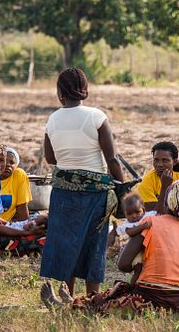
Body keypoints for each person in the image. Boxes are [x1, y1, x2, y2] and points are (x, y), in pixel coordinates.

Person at [41, 180, 179, 315]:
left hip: (151, 297)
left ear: (167, 201)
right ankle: (74, 302)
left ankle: (67, 308)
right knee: (117, 295)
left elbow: (123, 265)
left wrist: (139, 264)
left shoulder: (152, 223)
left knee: (113, 299)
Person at [40, 68, 125, 298]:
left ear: (60, 93)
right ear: (84, 89)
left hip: (63, 193)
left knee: (67, 243)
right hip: (94, 193)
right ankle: (92, 297)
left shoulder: (53, 119)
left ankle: (66, 292)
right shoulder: (96, 116)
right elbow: (112, 160)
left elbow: (51, 158)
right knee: (93, 245)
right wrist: (122, 192)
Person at [0, 147, 33, 223]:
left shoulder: (18, 175)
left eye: (12, 162)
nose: (7, 164)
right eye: (3, 161)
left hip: (5, 225)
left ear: (16, 166)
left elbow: (22, 211)